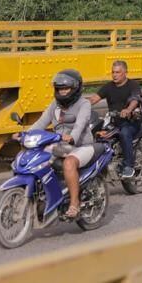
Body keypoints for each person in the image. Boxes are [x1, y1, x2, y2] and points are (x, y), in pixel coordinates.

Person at [23, 70, 94, 219]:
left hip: (81, 146)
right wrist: (25, 134)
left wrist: (72, 137)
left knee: (69, 163)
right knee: (36, 159)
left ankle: (74, 203)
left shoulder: (84, 104)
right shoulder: (54, 105)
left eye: (66, 88)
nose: (63, 92)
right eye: (60, 89)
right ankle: (41, 196)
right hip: (60, 145)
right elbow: (40, 123)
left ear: (75, 88)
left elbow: (80, 124)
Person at [88, 60, 142, 179]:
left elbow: (135, 99)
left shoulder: (133, 85)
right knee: (97, 133)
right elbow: (95, 98)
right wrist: (81, 106)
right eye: (113, 72)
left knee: (125, 133)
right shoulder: (108, 87)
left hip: (131, 122)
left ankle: (129, 165)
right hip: (114, 122)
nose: (114, 75)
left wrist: (128, 110)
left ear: (125, 73)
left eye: (118, 72)